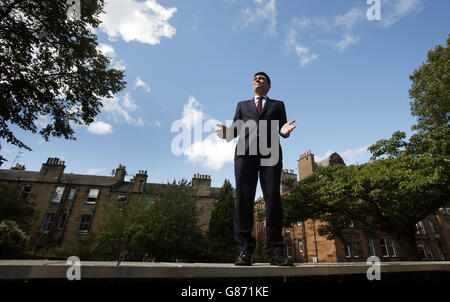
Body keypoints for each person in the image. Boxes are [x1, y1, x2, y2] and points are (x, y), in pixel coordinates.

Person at [215, 72, 295, 266]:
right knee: (243, 200)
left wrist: (284, 132)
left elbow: (283, 127)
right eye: (254, 78)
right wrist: (227, 133)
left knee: (273, 201)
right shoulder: (242, 105)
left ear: (268, 85)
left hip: (271, 154)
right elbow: (235, 129)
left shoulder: (278, 104)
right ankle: (244, 251)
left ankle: (275, 251)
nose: (257, 80)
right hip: (245, 154)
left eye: (261, 78)